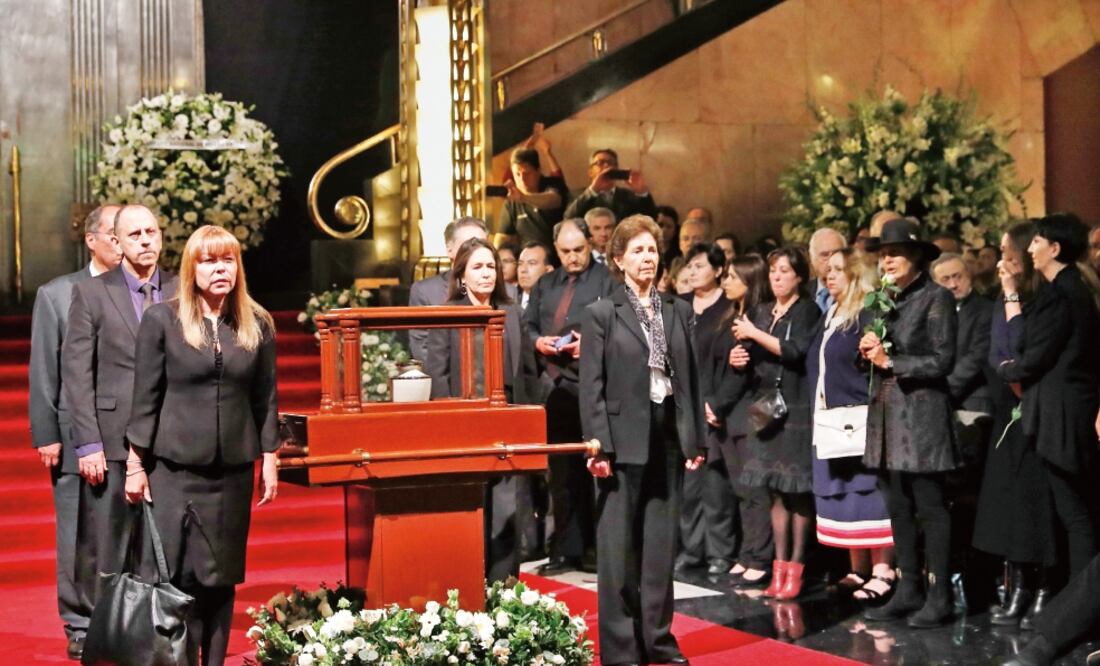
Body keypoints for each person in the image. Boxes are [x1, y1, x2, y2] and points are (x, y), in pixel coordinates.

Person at [123, 225, 276, 665]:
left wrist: (270, 458)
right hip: (175, 469)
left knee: (222, 578)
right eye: (209, 261)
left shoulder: (257, 322)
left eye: (227, 260)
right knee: (182, 577)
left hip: (231, 473)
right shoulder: (162, 320)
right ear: (192, 268)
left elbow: (265, 394)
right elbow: (145, 397)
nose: (219, 269)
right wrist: (136, 464)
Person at [580, 214, 705, 666]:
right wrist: (597, 446)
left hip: (666, 433)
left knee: (659, 548)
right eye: (637, 250)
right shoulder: (600, 314)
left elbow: (689, 378)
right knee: (617, 550)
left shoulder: (677, 309)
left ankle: (658, 641)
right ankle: (620, 649)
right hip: (619, 439)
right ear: (618, 259)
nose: (647, 257)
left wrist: (695, 440)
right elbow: (590, 386)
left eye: (652, 249)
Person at [61, 204, 180, 634]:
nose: (146, 240)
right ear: (117, 242)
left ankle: (155, 633)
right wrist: (87, 443)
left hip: (171, 438)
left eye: (152, 231)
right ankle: (98, 634)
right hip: (110, 438)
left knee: (160, 544)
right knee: (106, 546)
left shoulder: (181, 289)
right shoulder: (93, 293)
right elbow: (77, 373)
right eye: (135, 234)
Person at [28, 204, 121, 659]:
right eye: (115, 235)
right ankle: (79, 622)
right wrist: (47, 432)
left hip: (123, 433)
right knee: (76, 534)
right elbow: (44, 369)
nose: (123, 244)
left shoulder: (144, 292)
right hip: (70, 435)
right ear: (92, 240)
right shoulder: (57, 294)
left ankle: (126, 618)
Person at [860, 217, 960, 628]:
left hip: (921, 419)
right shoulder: (878, 299)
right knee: (897, 507)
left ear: (916, 257)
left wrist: (891, 361)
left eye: (895, 253)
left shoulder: (935, 297)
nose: (888, 260)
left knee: (930, 508)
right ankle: (908, 588)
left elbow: (942, 360)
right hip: (885, 417)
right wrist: (866, 349)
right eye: (883, 254)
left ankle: (940, 596)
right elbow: (868, 358)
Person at [425, 237, 535, 582]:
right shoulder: (447, 315)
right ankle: (466, 585)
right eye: (478, 267)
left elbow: (526, 371)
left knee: (507, 508)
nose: (486, 274)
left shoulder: (512, 311)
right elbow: (437, 375)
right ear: (461, 276)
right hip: (464, 425)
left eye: (491, 267)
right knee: (470, 506)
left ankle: (503, 588)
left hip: (506, 423)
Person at [1000, 214, 1099, 582]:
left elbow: (1032, 352)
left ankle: (1081, 611)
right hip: (1068, 409)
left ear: (1055, 248)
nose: (1030, 249)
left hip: (1062, 415)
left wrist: (1007, 370)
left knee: (1076, 515)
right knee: (1077, 512)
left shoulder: (1061, 293)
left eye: (1037, 241)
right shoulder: (1072, 288)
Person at [973, 222, 1058, 629]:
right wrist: (1012, 374)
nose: (1003, 257)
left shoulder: (1044, 299)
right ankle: (1018, 586)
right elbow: (1000, 351)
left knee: (1037, 503)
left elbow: (1022, 347)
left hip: (1041, 406)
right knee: (1009, 502)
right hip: (1010, 406)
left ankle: (1045, 588)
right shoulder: (1001, 300)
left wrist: (1012, 301)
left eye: (1010, 250)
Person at [729, 246, 822, 600]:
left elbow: (795, 350)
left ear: (799, 276)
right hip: (765, 406)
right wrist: (739, 357)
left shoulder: (808, 310)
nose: (778, 277)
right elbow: (750, 355)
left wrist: (754, 336)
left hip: (795, 408)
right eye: (773, 272)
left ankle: (796, 569)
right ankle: (778, 566)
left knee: (796, 492)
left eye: (785, 271)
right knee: (773, 492)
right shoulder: (761, 311)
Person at [525, 218, 614, 575]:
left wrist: (588, 343)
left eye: (579, 250)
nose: (573, 257)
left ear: (590, 244)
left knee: (594, 468)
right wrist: (537, 341)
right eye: (565, 251)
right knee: (559, 473)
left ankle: (595, 549)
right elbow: (528, 323)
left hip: (589, 384)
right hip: (552, 385)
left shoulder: (605, 279)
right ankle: (565, 549)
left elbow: (616, 324)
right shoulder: (547, 283)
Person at [806, 248, 895, 602]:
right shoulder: (831, 313)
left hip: (860, 416)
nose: (830, 276)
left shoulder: (869, 313)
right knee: (843, 490)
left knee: (869, 491)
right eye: (828, 270)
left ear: (857, 276)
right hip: (830, 415)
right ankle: (857, 568)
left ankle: (883, 570)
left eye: (839, 270)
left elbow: (877, 365)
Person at [709, 254, 773, 586]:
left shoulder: (758, 318)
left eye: (733, 276)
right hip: (730, 412)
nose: (726, 281)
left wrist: (717, 405)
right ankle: (748, 552)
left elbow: (743, 368)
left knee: (754, 489)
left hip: (749, 411)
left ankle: (761, 556)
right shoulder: (731, 315)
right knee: (741, 489)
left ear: (750, 280)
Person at [676, 244, 737, 575]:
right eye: (690, 265)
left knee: (716, 486)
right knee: (689, 486)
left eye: (700, 265)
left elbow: (733, 363)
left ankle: (720, 551)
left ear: (717, 270)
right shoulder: (679, 306)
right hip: (685, 406)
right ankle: (692, 548)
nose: (692, 271)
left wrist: (716, 403)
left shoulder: (728, 310)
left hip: (715, 406)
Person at [408, 217, 489, 361]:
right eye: (469, 245)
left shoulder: (508, 291)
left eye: (483, 245)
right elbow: (423, 351)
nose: (476, 251)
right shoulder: (426, 291)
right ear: (449, 250)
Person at [495, 147, 567, 249]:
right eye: (517, 174)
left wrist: (524, 197)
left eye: (527, 173)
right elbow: (503, 236)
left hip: (557, 258)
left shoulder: (554, 184)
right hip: (527, 260)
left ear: (538, 171)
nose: (522, 179)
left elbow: (553, 200)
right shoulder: (511, 202)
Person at [564, 148, 657, 222]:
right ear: (590, 172)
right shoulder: (578, 195)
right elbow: (568, 219)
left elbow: (650, 220)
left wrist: (641, 192)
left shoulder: (628, 196)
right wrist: (593, 190)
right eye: (600, 163)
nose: (606, 166)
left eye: (611, 163)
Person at [808, 228, 847, 313]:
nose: (831, 260)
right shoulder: (802, 294)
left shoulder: (855, 293)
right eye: (825, 255)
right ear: (812, 259)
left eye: (836, 253)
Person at [516, 241, 554, 312]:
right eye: (520, 263)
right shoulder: (509, 304)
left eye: (531, 263)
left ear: (548, 270)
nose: (523, 269)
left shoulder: (556, 305)